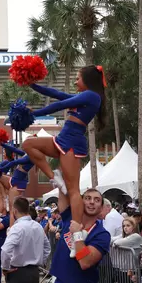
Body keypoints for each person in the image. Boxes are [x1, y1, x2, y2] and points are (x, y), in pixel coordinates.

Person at [22, 66, 107, 256]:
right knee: (28, 145)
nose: (76, 81)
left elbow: (58, 105)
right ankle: (54, 177)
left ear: (87, 80)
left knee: (74, 190)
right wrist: (32, 85)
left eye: (78, 78)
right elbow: (55, 93)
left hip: (72, 142)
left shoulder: (92, 96)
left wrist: (33, 114)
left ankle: (77, 235)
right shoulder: (84, 96)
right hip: (63, 138)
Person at [49, 188, 111, 283]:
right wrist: (60, 181)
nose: (92, 202)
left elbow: (85, 262)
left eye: (97, 200)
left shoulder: (102, 234)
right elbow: (63, 194)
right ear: (81, 202)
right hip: (60, 282)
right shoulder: (70, 217)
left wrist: (77, 233)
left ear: (101, 208)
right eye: (87, 198)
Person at [1, 197, 50, 283]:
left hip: (17, 272)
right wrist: (41, 261)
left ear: (15, 211)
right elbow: (47, 248)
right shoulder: (38, 226)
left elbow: (5, 250)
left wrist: (5, 268)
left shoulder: (17, 228)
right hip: (34, 272)